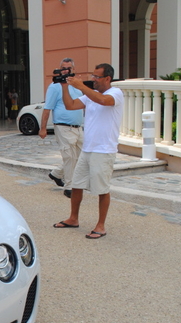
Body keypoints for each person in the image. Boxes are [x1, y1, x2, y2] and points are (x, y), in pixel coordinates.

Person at [53, 63, 124, 240]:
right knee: (77, 184)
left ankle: (101, 225)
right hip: (88, 149)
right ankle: (73, 218)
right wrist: (65, 86)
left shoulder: (115, 93)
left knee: (102, 188)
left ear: (107, 78)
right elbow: (70, 105)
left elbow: (103, 101)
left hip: (104, 150)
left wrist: (81, 86)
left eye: (97, 77)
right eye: (92, 76)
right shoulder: (89, 96)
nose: (93, 79)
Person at [39, 57, 84, 198]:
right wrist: (43, 128)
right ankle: (69, 186)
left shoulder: (78, 85)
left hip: (78, 127)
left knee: (81, 156)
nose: (65, 70)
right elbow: (47, 109)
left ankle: (56, 173)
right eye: (63, 68)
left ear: (73, 69)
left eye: (68, 68)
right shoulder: (54, 87)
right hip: (63, 126)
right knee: (69, 156)